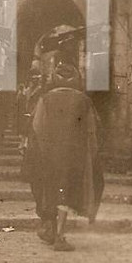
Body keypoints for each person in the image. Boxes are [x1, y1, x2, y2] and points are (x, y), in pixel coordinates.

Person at [26, 60, 103, 251]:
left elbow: (37, 127)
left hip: (49, 153)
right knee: (66, 193)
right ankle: (59, 235)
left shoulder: (45, 99)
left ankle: (49, 226)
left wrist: (41, 149)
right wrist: (92, 155)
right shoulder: (84, 101)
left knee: (48, 188)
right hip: (74, 155)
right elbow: (92, 131)